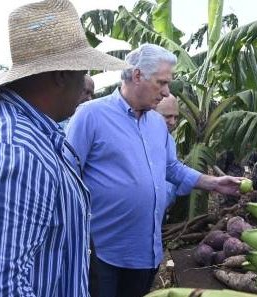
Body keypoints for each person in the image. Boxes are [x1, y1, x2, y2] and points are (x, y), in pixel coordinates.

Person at [0, 0, 128, 296]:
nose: (85, 85)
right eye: (82, 70)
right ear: (61, 74)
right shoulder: (14, 151)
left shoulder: (24, 130)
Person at [66, 43, 245, 297]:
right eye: (161, 83)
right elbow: (65, 177)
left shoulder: (156, 124)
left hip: (146, 253)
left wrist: (213, 183)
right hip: (102, 253)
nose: (166, 92)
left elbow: (171, 168)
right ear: (137, 75)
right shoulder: (91, 115)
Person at [155, 93, 180, 208]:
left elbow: (171, 169)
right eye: (167, 116)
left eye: (176, 117)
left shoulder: (168, 139)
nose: (173, 122)